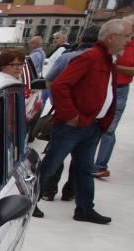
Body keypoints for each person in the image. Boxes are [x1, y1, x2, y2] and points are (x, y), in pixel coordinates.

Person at [32, 18, 133, 224]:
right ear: (112, 37)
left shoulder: (107, 61)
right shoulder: (90, 58)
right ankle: (29, 203)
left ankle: (85, 209)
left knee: (84, 168)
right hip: (74, 126)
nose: (129, 41)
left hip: (91, 126)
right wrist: (71, 115)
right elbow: (60, 86)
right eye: (126, 37)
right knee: (51, 164)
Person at [39, 26, 99, 202]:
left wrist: (61, 107)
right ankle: (74, 196)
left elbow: (50, 82)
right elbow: (55, 84)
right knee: (79, 163)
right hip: (79, 119)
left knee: (55, 159)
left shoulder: (67, 57)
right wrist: (69, 112)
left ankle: (48, 192)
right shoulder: (81, 59)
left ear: (81, 39)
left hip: (78, 118)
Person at [92, 15, 134, 179]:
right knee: (92, 125)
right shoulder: (110, 42)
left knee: (109, 129)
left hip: (120, 89)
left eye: (128, 28)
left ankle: (100, 166)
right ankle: (86, 161)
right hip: (102, 85)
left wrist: (113, 66)